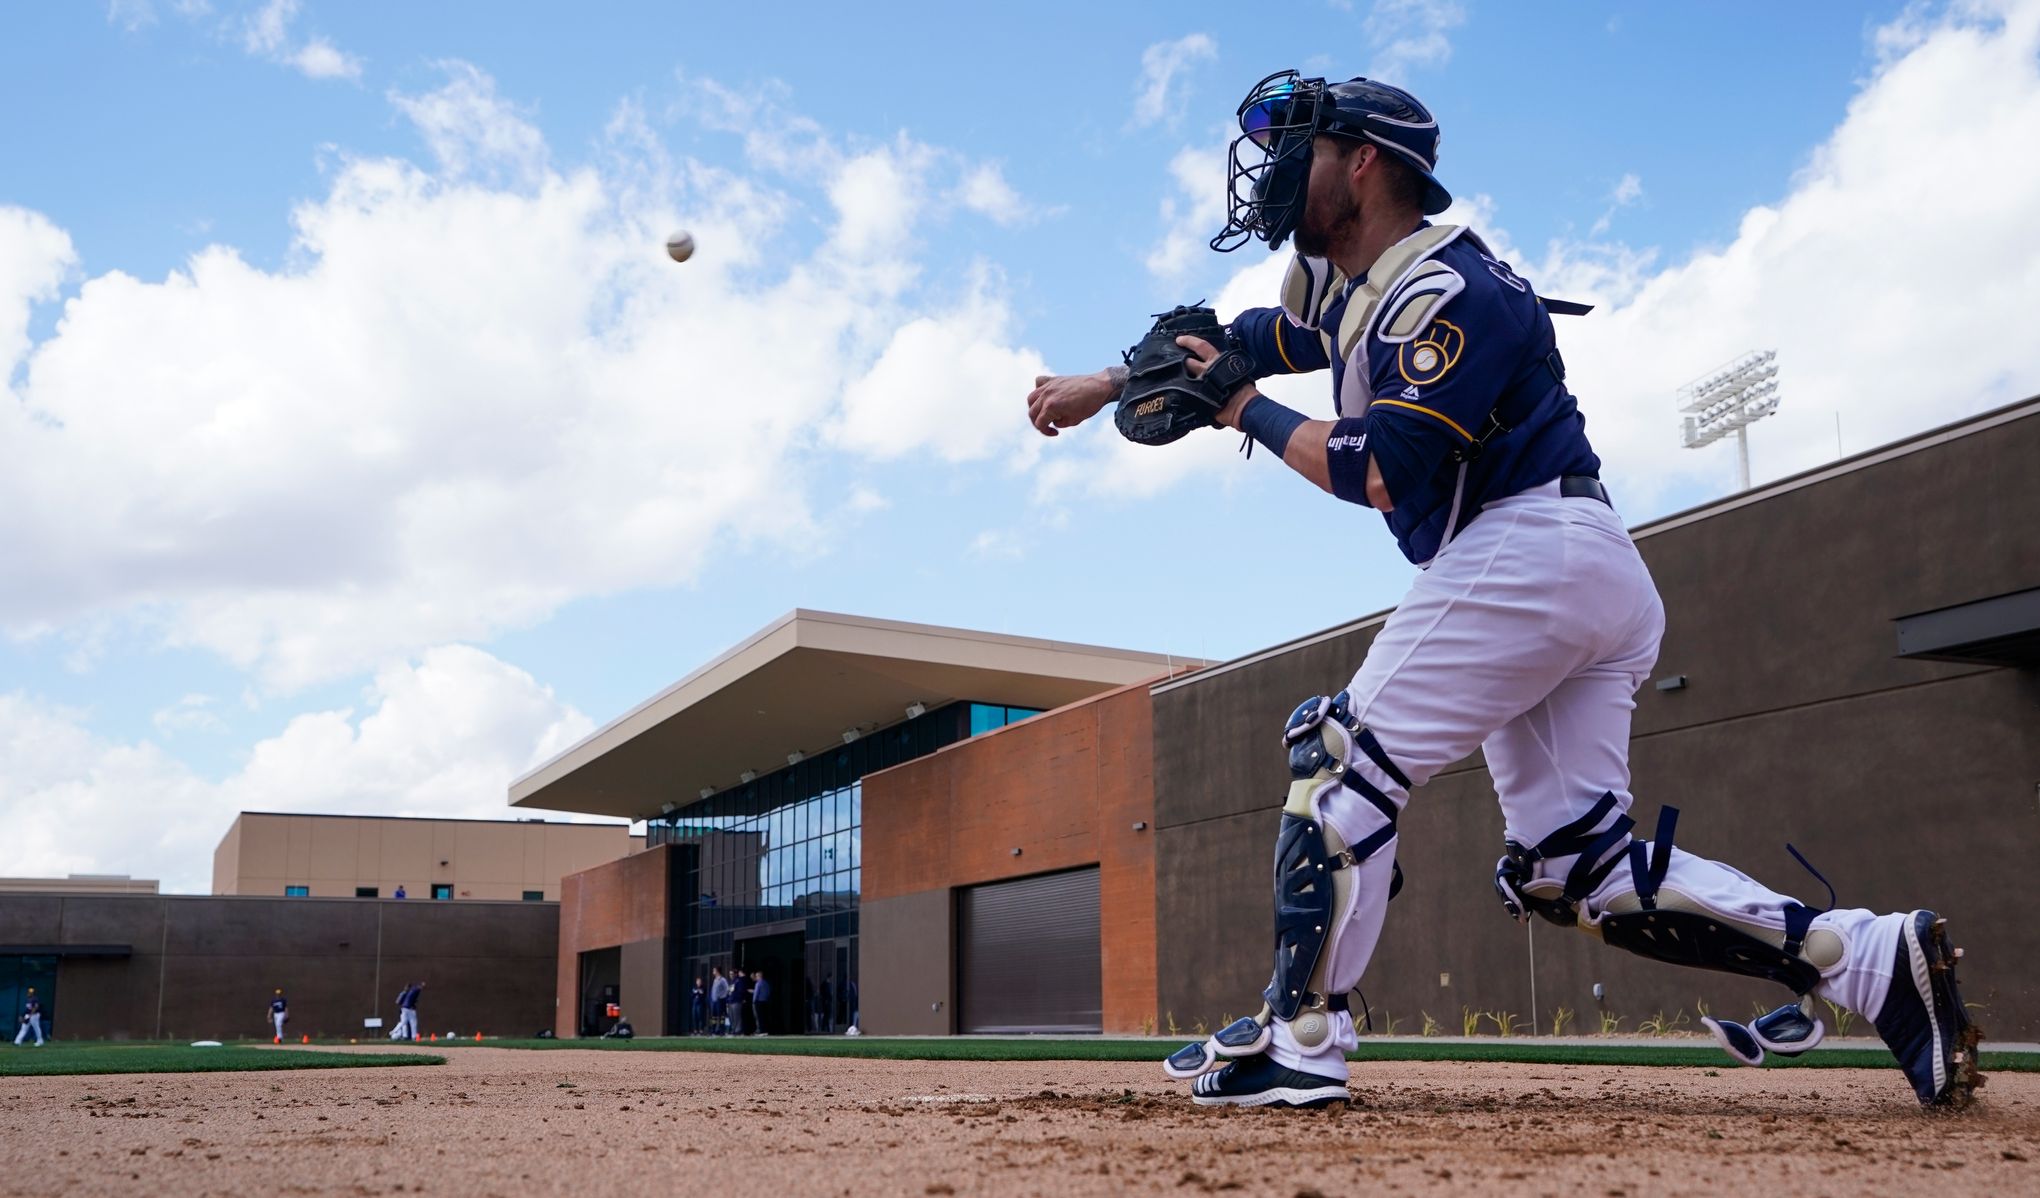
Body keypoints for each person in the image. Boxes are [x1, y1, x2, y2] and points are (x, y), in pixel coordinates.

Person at [1025, 70, 1978, 1110]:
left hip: (1530, 543)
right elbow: (1242, 342)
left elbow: (1381, 468)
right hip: (1565, 561)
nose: (1277, 167)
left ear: (1366, 162)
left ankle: (1302, 1033)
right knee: (1577, 870)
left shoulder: (1452, 288)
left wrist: (1241, 409)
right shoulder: (1362, 289)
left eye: (1303, 144)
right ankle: (1873, 959)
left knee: (1341, 760)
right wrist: (1110, 381)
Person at [709, 966, 731, 1036]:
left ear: (717, 971)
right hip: (714, 1001)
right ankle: (713, 1030)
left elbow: (727, 989)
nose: (713, 972)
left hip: (720, 1000)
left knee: (721, 1016)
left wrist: (722, 996)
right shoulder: (715, 980)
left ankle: (722, 1030)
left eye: (714, 970)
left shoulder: (722, 980)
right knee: (713, 1016)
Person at [750, 970, 772, 1037]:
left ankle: (760, 1030)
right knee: (764, 1017)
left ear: (759, 976)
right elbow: (768, 992)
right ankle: (764, 1030)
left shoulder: (758, 983)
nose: (756, 977)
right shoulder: (766, 983)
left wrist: (754, 1001)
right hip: (765, 1001)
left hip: (758, 1002)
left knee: (758, 1017)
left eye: (756, 976)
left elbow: (756, 993)